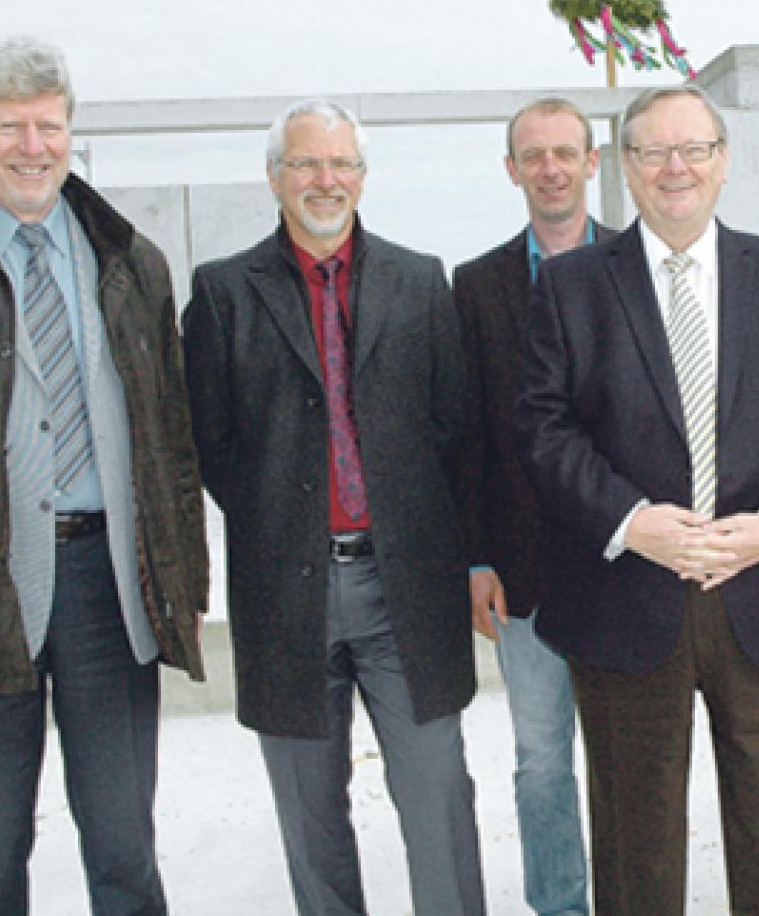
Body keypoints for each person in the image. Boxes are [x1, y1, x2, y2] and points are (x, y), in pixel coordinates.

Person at [0, 35, 209, 915]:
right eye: (10, 126)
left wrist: (181, 584)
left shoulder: (129, 259)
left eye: (49, 126)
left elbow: (169, 441)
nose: (33, 146)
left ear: (70, 131)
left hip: (106, 592)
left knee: (125, 846)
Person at [517, 84, 759, 914]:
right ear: (626, 166)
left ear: (723, 161)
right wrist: (632, 522)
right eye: (654, 151)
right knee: (635, 852)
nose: (676, 167)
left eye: (694, 149)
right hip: (625, 598)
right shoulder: (569, 286)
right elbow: (544, 428)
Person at [182, 99, 485, 916]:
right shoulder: (223, 292)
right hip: (287, 593)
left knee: (438, 799)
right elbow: (210, 440)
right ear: (274, 176)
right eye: (307, 163)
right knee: (311, 819)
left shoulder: (419, 280)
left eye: (342, 163)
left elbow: (453, 425)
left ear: (362, 174)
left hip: (403, 587)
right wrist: (283, 519)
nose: (326, 179)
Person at [453, 97, 615, 916]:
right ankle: (559, 904)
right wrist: (476, 557)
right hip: (522, 574)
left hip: (625, 566)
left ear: (593, 162)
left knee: (626, 760)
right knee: (543, 759)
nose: (551, 168)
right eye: (534, 155)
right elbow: (467, 434)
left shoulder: (636, 264)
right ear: (512, 169)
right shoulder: (475, 285)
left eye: (565, 152)